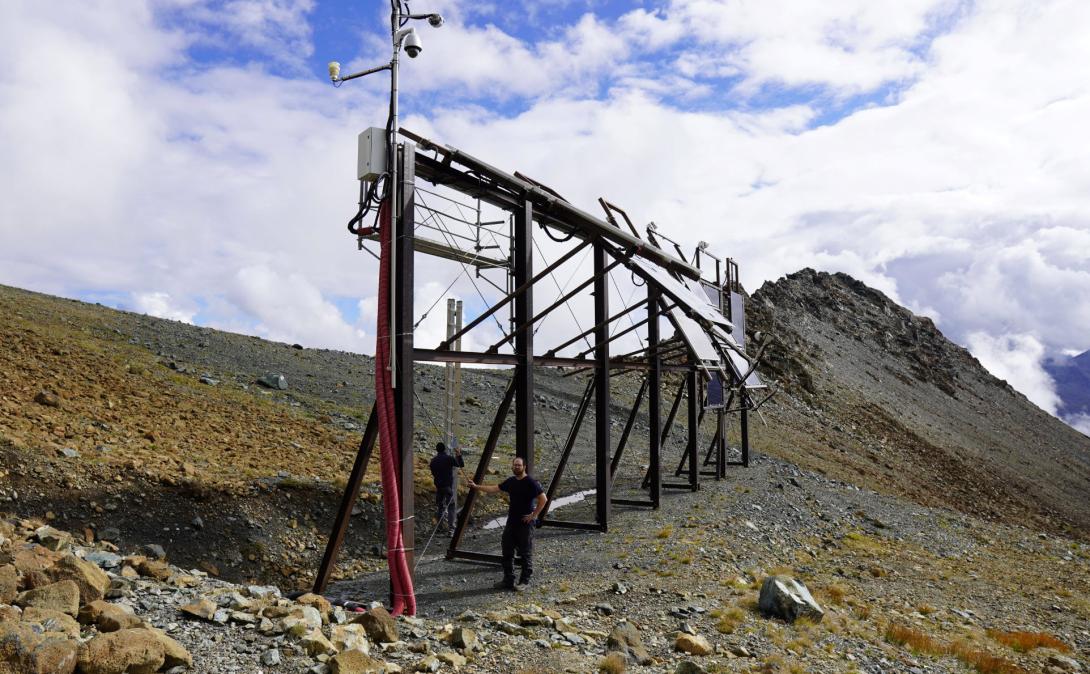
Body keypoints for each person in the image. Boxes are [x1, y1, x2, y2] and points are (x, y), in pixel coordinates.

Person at [468, 456, 547, 591]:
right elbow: (494, 488)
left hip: (525, 524)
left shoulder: (531, 482)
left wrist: (533, 515)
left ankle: (524, 581)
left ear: (524, 467)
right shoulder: (511, 481)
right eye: (515, 465)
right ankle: (508, 580)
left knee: (525, 552)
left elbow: (543, 499)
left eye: (519, 465)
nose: (516, 467)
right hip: (511, 522)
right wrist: (476, 487)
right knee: (507, 551)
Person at [428, 441, 463, 533]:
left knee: (440, 507)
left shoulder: (433, 461)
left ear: (437, 450)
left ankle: (439, 528)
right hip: (447, 487)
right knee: (451, 506)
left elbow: (433, 473)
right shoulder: (448, 458)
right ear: (444, 449)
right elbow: (460, 464)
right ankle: (451, 527)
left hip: (439, 487)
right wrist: (458, 454)